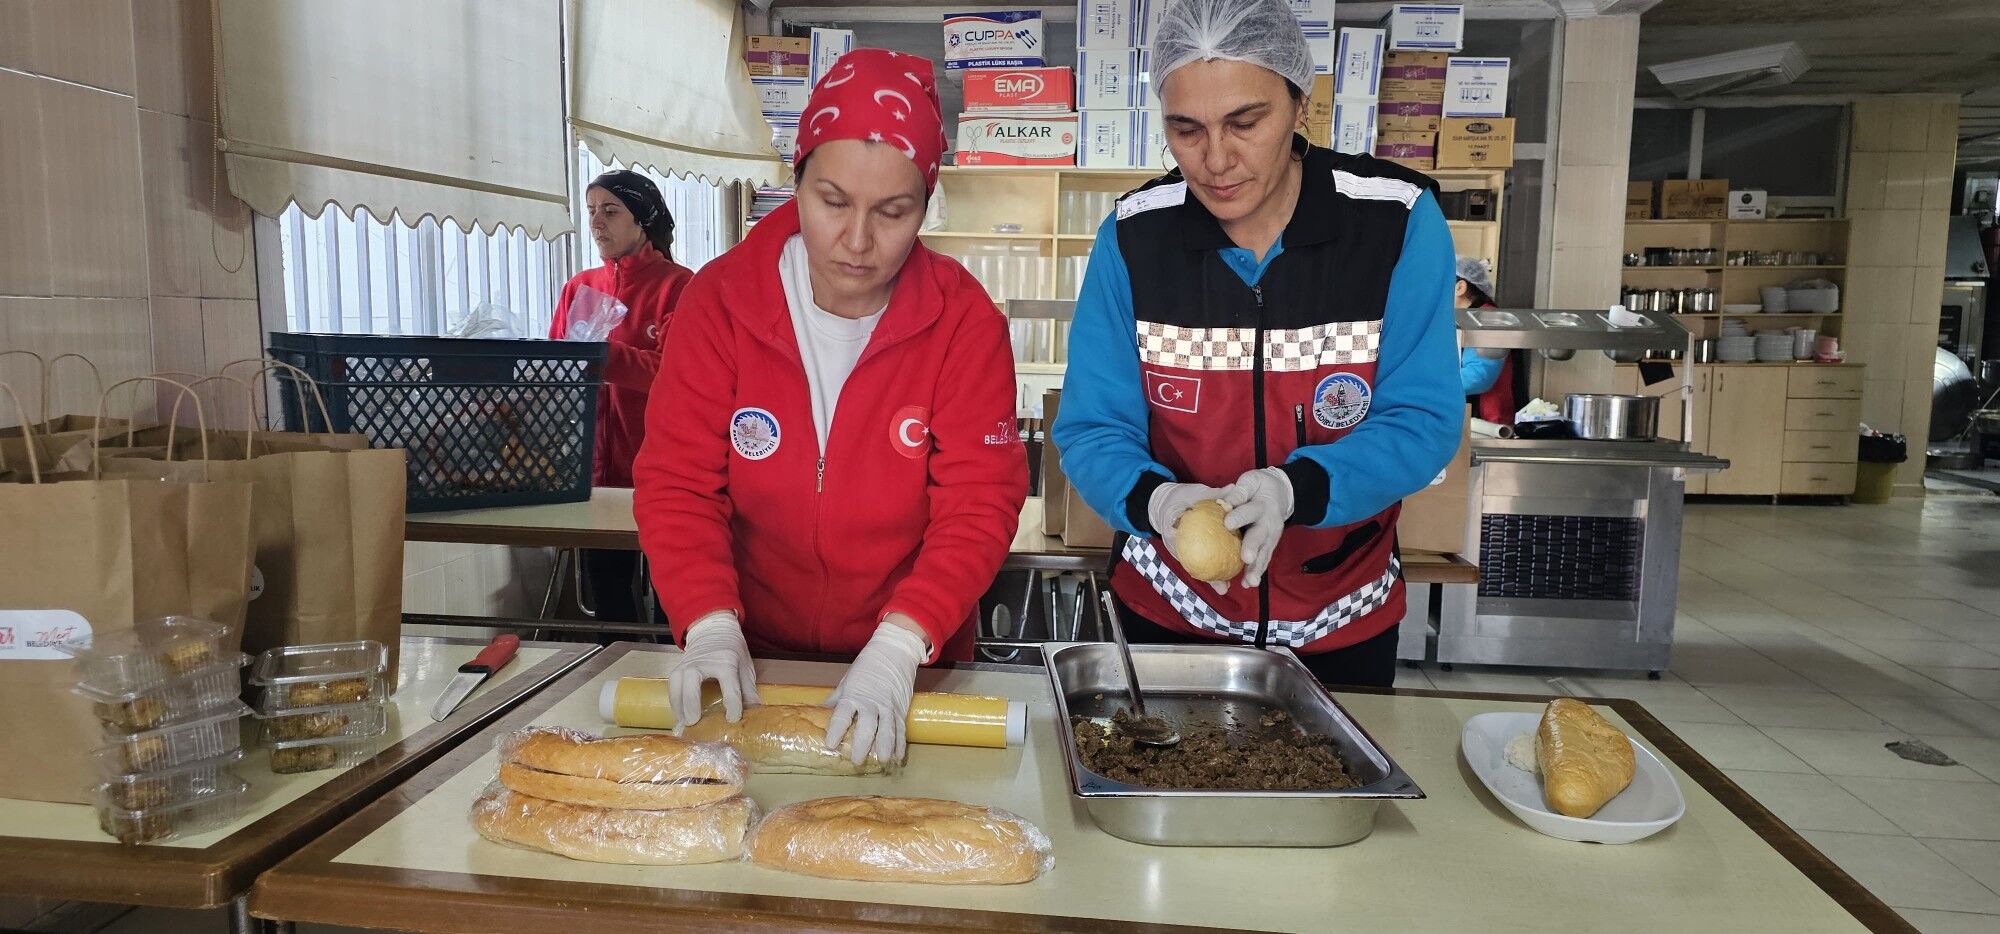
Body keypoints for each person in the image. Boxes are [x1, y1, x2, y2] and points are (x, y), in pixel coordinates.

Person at [1052, 0, 1462, 688]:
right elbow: (1094, 429)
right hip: (1171, 621)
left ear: (1300, 103)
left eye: (1246, 122)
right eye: (1186, 129)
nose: (1216, 160)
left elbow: (1422, 421)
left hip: (1343, 625)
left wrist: (1292, 488)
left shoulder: (1395, 223)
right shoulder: (1132, 240)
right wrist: (1155, 501)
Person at [632, 49, 1027, 764]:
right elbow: (678, 483)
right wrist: (710, 624)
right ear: (797, 180)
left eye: (893, 211)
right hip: (752, 664)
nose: (856, 241)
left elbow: (981, 500)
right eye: (833, 201)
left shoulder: (963, 322)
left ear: (927, 203)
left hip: (916, 666)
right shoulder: (720, 304)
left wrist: (902, 645)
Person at [551, 170, 693, 624]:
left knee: (675, 592)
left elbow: (675, 377)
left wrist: (603, 355)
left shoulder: (679, 286)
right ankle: (615, 673)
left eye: (610, 211)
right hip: (594, 470)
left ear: (642, 220)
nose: (597, 222)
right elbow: (555, 374)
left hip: (661, 466)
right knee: (608, 592)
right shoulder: (579, 287)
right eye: (592, 211)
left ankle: (678, 677)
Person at [1454, 256, 1517, 424]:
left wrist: (1429, 383)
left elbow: (1479, 376)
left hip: (1487, 420)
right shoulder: (1464, 318)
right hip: (1468, 417)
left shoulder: (1488, 319)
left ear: (1460, 287)